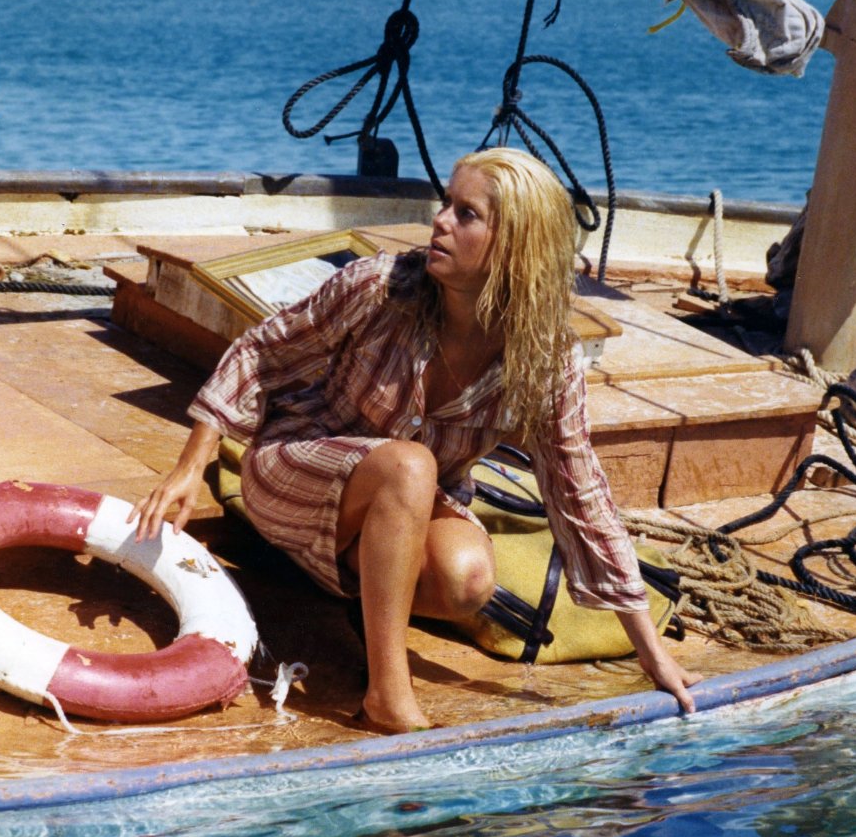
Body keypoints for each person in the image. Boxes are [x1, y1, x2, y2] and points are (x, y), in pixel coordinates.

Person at [129, 147, 702, 732]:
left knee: (467, 580)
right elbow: (263, 352)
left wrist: (651, 651)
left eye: (466, 213)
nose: (440, 220)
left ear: (516, 245)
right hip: (297, 466)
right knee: (409, 465)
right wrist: (190, 465)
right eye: (446, 204)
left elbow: (581, 496)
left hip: (406, 501)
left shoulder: (544, 358)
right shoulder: (379, 287)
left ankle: (358, 590)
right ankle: (388, 695)